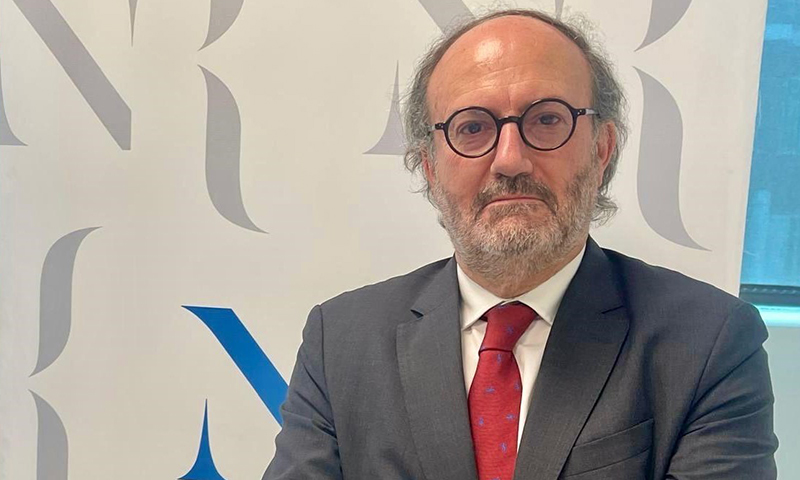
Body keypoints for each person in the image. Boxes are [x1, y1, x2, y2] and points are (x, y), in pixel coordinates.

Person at [263, 8, 778, 480]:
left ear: (602, 149)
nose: (510, 159)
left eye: (547, 119)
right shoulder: (342, 341)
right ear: (430, 169)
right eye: (471, 127)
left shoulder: (709, 343)